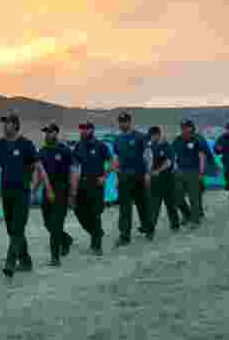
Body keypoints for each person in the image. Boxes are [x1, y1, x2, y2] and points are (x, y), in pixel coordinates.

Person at [0, 112, 50, 277]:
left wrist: (46, 188)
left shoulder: (26, 144)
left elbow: (39, 167)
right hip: (6, 193)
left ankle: (10, 262)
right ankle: (26, 261)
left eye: (7, 123)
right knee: (12, 229)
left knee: (17, 228)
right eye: (4, 123)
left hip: (22, 193)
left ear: (15, 125)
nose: (4, 126)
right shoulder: (0, 144)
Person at [37, 123, 76, 266]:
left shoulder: (65, 150)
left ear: (56, 133)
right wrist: (34, 190)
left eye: (49, 132)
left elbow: (72, 171)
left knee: (56, 223)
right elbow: (39, 173)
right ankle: (65, 240)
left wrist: (73, 192)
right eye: (45, 132)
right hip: (46, 191)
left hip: (61, 191)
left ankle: (55, 257)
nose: (47, 135)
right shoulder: (42, 151)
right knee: (48, 224)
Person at [72, 121, 111, 255]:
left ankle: (96, 246)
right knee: (78, 211)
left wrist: (104, 177)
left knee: (95, 214)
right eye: (81, 129)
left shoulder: (101, 146)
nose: (82, 131)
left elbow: (113, 162)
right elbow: (75, 167)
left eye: (85, 129)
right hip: (82, 184)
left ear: (92, 130)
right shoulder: (78, 146)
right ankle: (97, 233)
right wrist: (74, 187)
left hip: (96, 184)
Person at [111, 112, 150, 245]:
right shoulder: (117, 140)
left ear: (130, 122)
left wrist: (147, 174)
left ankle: (148, 228)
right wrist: (117, 177)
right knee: (125, 208)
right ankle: (124, 236)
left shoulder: (140, 137)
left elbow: (147, 156)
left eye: (125, 121)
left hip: (139, 175)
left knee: (142, 204)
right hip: (124, 177)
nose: (123, 124)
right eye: (121, 122)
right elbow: (116, 159)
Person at [145, 126, 188, 231]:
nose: (152, 138)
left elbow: (169, 162)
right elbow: (147, 161)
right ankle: (150, 228)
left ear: (158, 135)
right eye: (151, 136)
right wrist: (148, 174)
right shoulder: (150, 146)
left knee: (170, 203)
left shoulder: (167, 146)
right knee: (154, 205)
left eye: (154, 136)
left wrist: (158, 171)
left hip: (167, 179)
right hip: (154, 181)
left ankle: (175, 225)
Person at [170, 120, 210, 227]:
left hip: (194, 171)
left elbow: (202, 156)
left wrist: (201, 172)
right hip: (180, 171)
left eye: (187, 127)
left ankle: (195, 220)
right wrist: (173, 169)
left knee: (194, 197)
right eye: (183, 127)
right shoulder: (177, 140)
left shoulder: (197, 139)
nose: (185, 129)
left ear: (192, 128)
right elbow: (172, 155)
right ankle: (187, 214)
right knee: (177, 196)